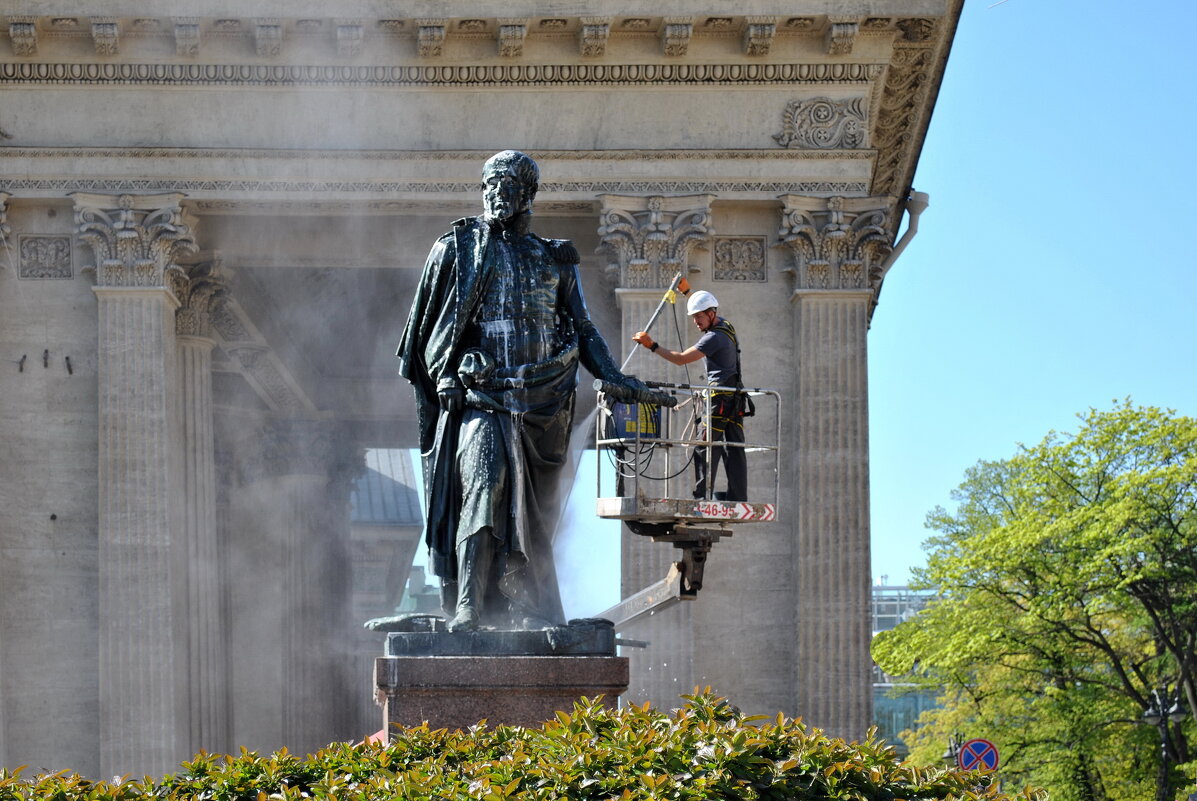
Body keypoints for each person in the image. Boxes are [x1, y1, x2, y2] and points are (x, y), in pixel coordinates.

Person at [397, 150, 652, 632]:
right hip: (481, 397)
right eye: (489, 184)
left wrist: (613, 376)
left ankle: (521, 605)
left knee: (531, 518)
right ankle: (469, 604)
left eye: (507, 184)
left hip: (540, 404)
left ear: (528, 193)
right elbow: (425, 333)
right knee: (484, 479)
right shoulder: (457, 248)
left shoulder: (554, 259)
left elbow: (584, 329)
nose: (495, 193)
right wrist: (446, 369)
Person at [632, 290, 748, 502]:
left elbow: (681, 359)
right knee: (733, 448)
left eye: (699, 317)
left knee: (704, 447)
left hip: (719, 400)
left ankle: (701, 498)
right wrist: (688, 292)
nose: (696, 321)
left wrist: (652, 345)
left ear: (711, 314)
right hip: (734, 397)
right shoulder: (726, 326)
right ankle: (738, 496)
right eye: (693, 317)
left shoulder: (713, 338)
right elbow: (703, 302)